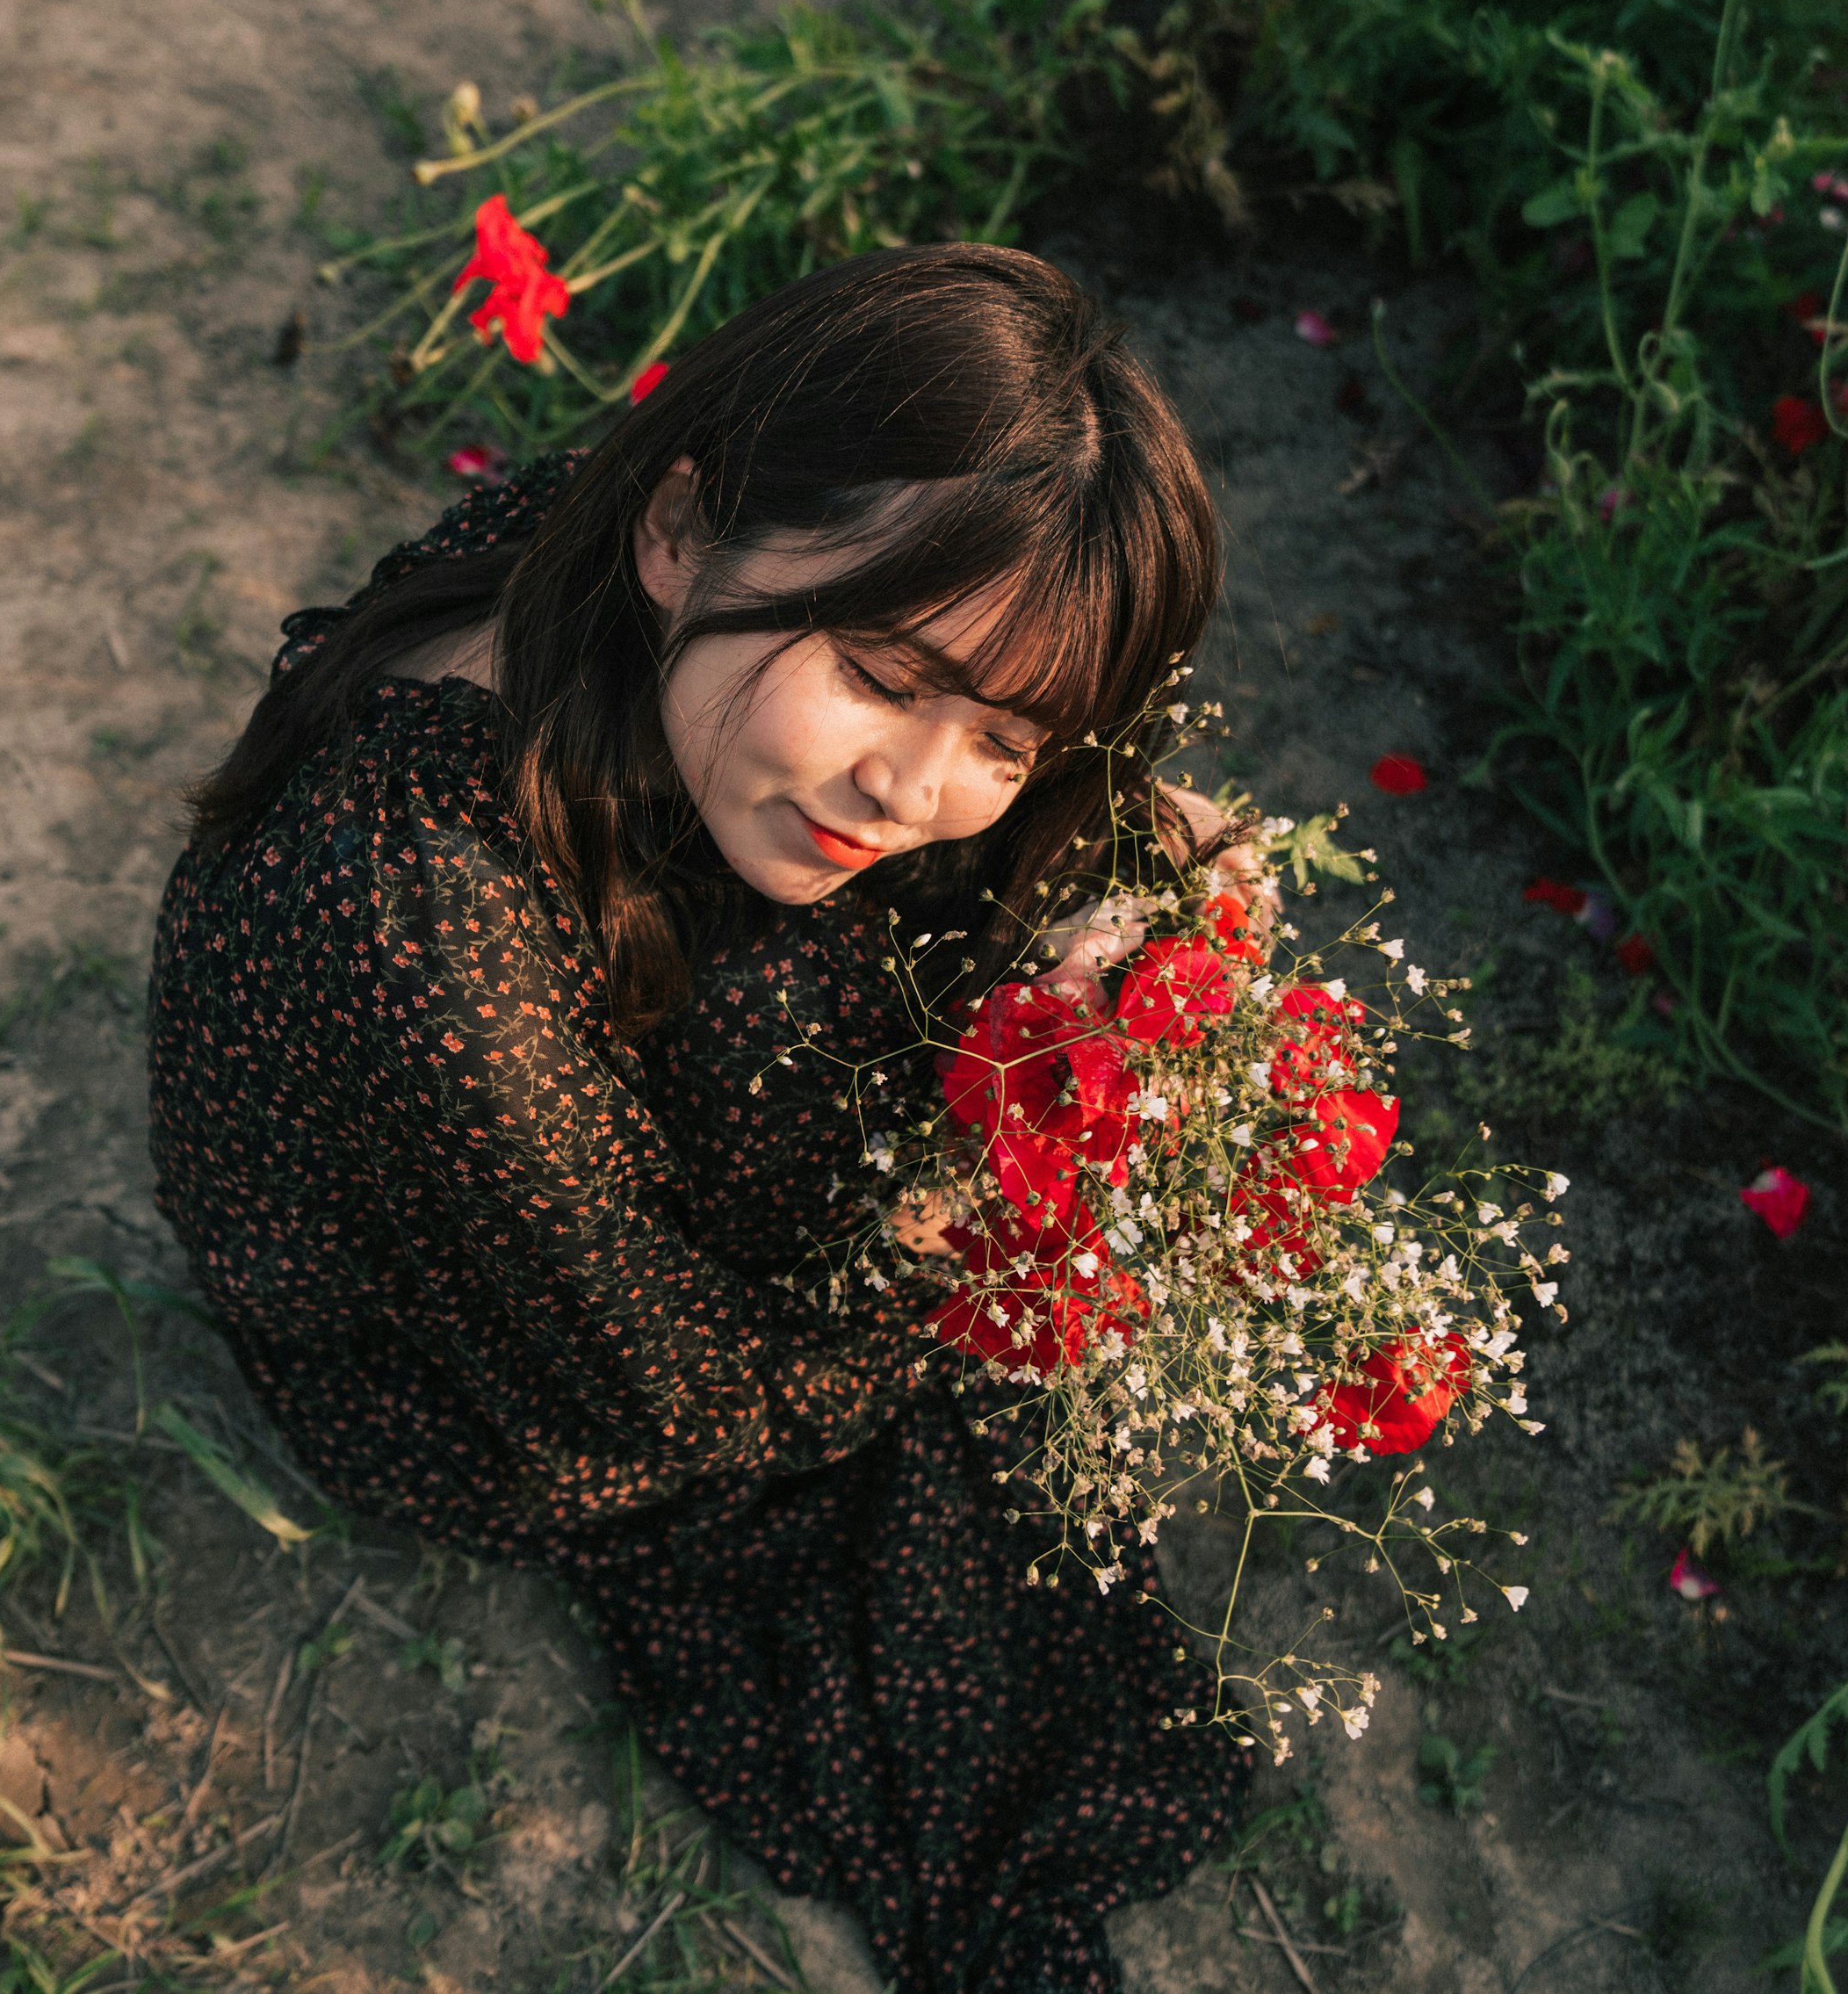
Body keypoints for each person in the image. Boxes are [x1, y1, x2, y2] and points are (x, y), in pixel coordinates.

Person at [148, 243, 1251, 1992]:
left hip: (529, 1128)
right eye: (887, 676)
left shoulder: (635, 577)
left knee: (916, 970)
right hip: (455, 1365)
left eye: (1010, 736)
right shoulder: (421, 929)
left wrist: (1110, 864)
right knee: (855, 1099)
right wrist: (931, 1248)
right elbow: (677, 1396)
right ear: (681, 534)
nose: (917, 788)